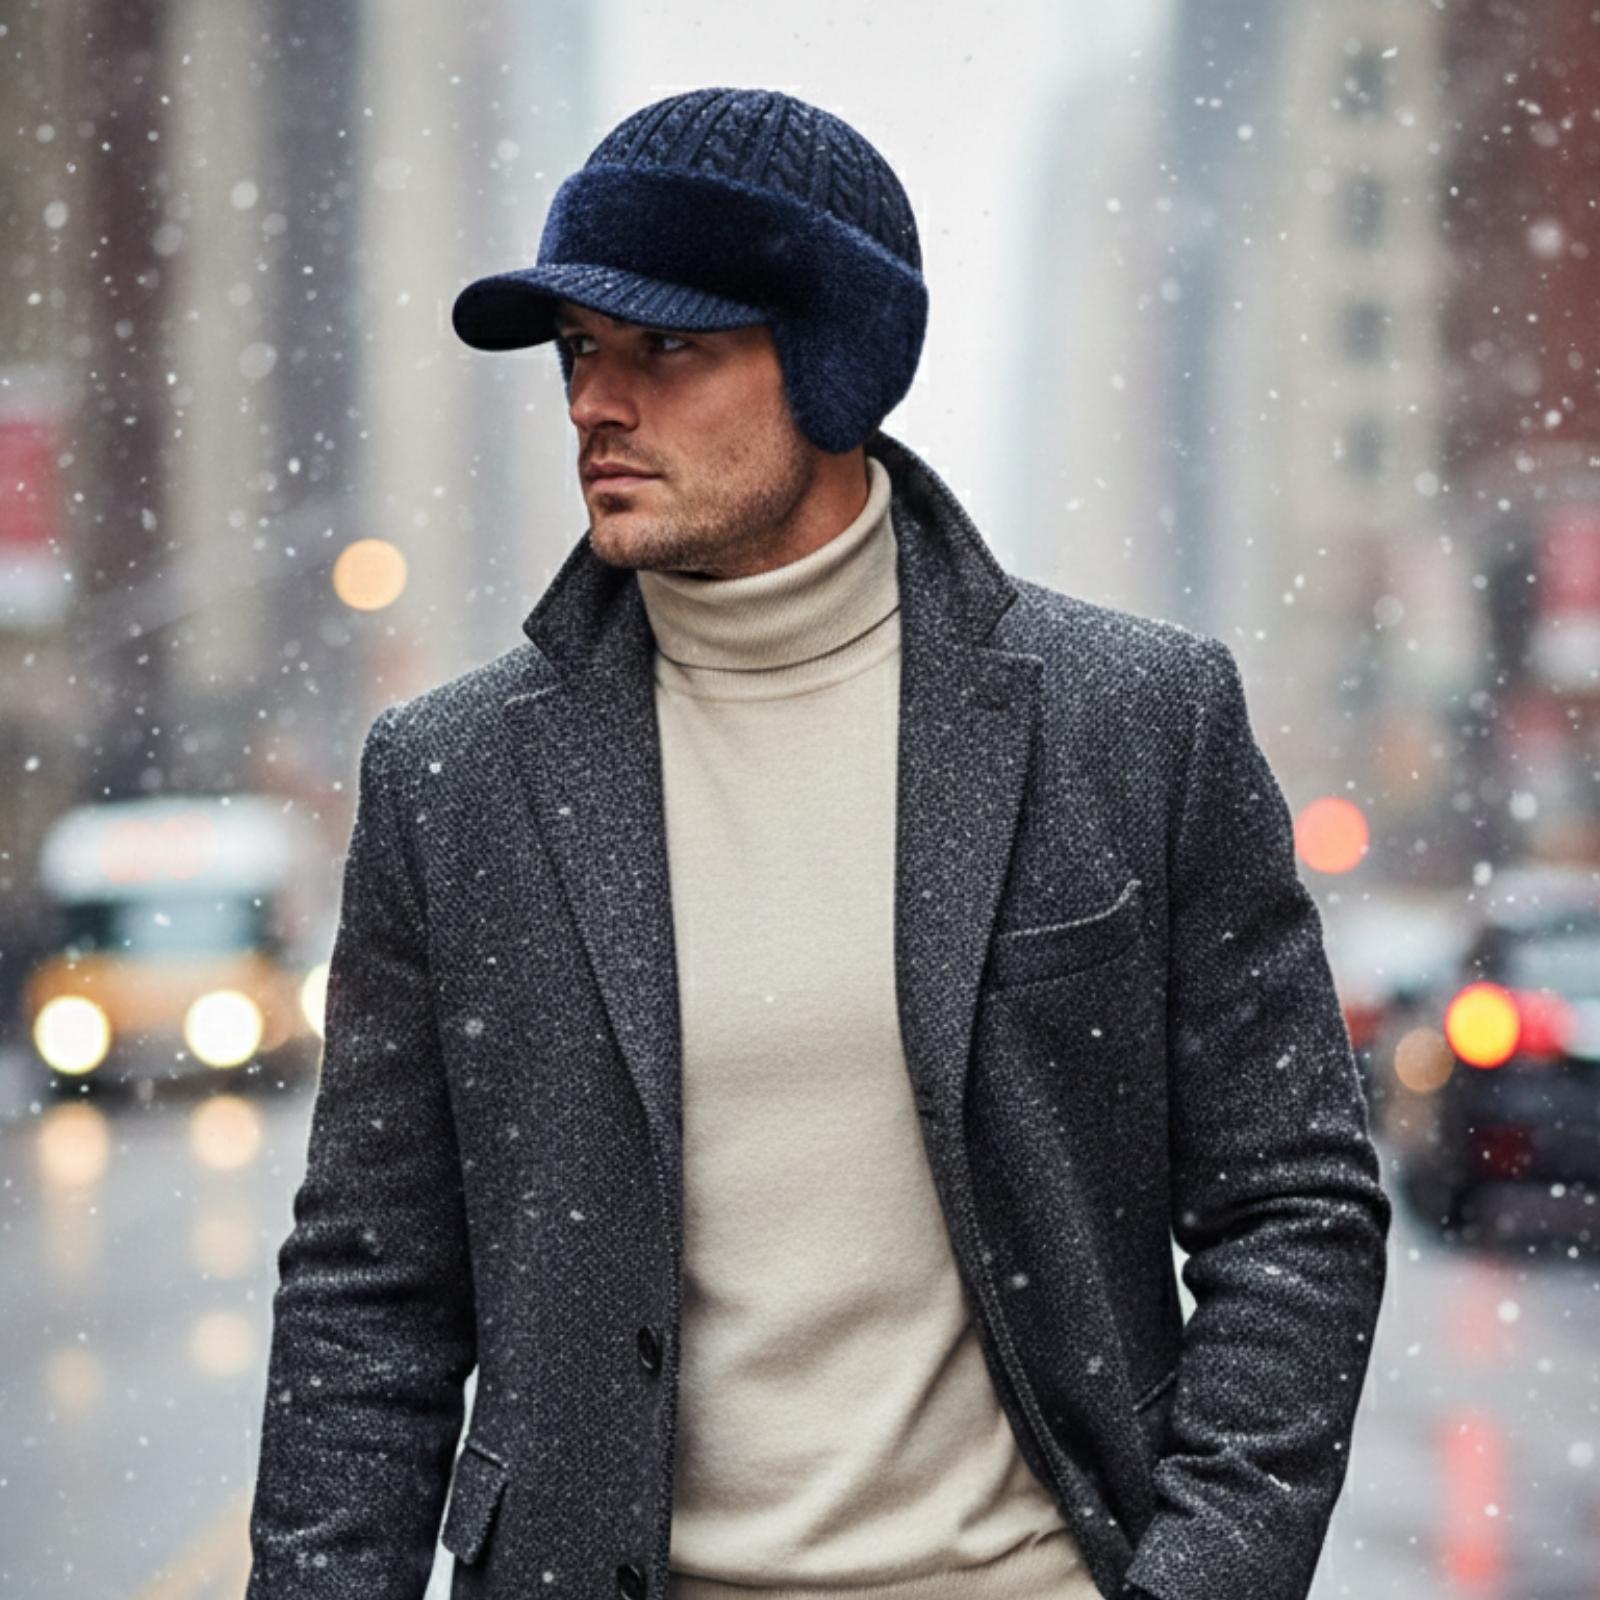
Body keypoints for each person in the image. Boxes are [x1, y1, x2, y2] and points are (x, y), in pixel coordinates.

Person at [245, 87, 1390, 1600]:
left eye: (666, 348)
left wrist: (1202, 1578)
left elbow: (1295, 1201)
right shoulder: (453, 777)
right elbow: (371, 1297)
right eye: (581, 351)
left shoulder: (1134, 723)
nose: (596, 401)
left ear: (835, 362)